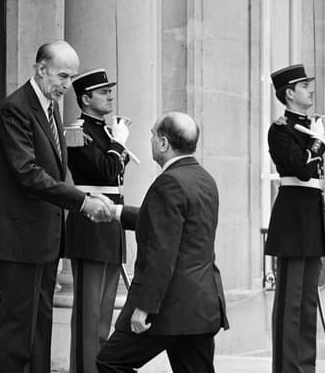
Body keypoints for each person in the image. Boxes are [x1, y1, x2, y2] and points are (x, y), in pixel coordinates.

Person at [0, 40, 113, 373]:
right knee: (18, 329)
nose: (67, 86)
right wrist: (82, 201)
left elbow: (53, 170)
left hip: (45, 237)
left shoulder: (50, 109)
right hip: (18, 237)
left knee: (40, 327)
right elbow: (27, 173)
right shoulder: (15, 109)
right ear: (41, 69)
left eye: (71, 78)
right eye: (62, 76)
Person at [95, 112, 228, 373]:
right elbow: (171, 226)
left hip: (168, 308)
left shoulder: (168, 183)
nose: (151, 139)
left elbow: (162, 252)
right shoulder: (204, 178)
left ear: (164, 143)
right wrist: (116, 212)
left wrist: (144, 307)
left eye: (154, 134)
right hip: (201, 305)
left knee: (110, 362)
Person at [265, 64, 325, 373]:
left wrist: (315, 139)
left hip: (310, 217)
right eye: (304, 86)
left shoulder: (308, 126)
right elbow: (301, 170)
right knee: (290, 304)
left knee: (307, 303)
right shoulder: (280, 130)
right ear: (290, 93)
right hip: (292, 219)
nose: (310, 90)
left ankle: (305, 367)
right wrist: (318, 143)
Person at [64, 68, 130, 373]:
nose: (110, 95)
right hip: (90, 224)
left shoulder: (104, 131)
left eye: (109, 90)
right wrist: (118, 144)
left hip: (110, 220)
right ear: (85, 98)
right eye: (103, 92)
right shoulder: (78, 131)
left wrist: (116, 144)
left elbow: (115, 174)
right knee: (89, 316)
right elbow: (105, 171)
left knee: (104, 313)